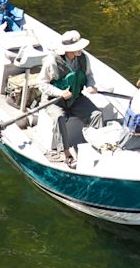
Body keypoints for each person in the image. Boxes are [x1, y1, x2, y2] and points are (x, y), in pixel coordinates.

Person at [39, 30, 99, 168]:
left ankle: (96, 147)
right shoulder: (52, 61)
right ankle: (65, 153)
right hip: (54, 100)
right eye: (77, 47)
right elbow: (42, 84)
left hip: (76, 97)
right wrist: (59, 92)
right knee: (59, 117)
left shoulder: (83, 58)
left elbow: (89, 75)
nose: (80, 50)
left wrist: (91, 86)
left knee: (96, 115)